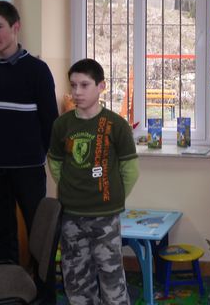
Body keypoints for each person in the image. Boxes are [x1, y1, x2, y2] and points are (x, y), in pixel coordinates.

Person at [0, 0, 59, 264]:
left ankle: (43, 288)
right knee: (0, 234)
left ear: (16, 27)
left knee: (38, 233)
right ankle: (5, 283)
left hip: (27, 167)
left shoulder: (37, 70)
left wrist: (34, 153)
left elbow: (50, 122)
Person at [48, 58, 139, 305]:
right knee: (76, 281)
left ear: (101, 86)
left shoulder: (117, 125)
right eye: (73, 85)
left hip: (106, 216)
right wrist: (72, 188)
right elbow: (55, 164)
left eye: (84, 85)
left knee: (112, 280)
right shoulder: (62, 124)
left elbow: (130, 170)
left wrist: (112, 196)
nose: (77, 92)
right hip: (71, 216)